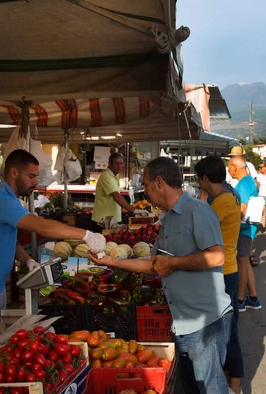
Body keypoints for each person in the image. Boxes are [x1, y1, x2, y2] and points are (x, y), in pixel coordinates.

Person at [89, 156, 233, 394]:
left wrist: (173, 263)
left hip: (206, 321)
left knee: (211, 389)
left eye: (145, 184)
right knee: (189, 388)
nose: (144, 192)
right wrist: (111, 261)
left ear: (159, 182)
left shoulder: (198, 211)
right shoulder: (168, 218)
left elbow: (218, 257)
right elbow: (154, 264)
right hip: (183, 322)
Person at [0, 150, 106, 325]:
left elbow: (10, 240)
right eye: (31, 176)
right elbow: (42, 226)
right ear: (13, 173)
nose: (36, 181)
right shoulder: (0, 200)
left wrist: (28, 260)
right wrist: (85, 234)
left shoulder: (8, 199)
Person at [194, 156, 244, 394]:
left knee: (224, 334)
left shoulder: (221, 202)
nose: (198, 183)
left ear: (205, 178)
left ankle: (233, 386)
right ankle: (232, 383)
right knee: (228, 331)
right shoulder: (229, 195)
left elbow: (201, 231)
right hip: (228, 270)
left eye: (198, 179)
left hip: (221, 273)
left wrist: (201, 203)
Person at [228, 156, 262, 312]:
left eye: (229, 166)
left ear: (235, 167)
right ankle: (253, 298)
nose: (228, 170)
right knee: (246, 262)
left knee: (242, 263)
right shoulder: (249, 181)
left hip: (244, 229)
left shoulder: (242, 184)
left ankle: (240, 300)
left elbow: (241, 211)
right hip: (250, 228)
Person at [91, 153, 144, 229]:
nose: (119, 166)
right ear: (110, 164)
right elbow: (117, 197)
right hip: (103, 221)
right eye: (116, 163)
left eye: (121, 163)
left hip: (111, 220)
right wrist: (133, 210)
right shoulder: (106, 176)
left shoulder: (115, 175)